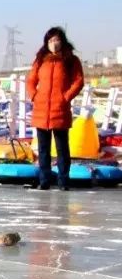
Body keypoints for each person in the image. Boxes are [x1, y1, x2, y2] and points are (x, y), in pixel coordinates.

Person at [26, 26, 84, 190]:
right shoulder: (40, 60)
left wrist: (65, 97)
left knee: (62, 149)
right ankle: (44, 180)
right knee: (43, 149)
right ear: (46, 43)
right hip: (41, 111)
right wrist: (35, 96)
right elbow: (30, 81)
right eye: (51, 41)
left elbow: (78, 82)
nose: (54, 44)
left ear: (62, 41)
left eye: (57, 40)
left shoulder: (71, 60)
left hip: (60, 110)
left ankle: (63, 181)